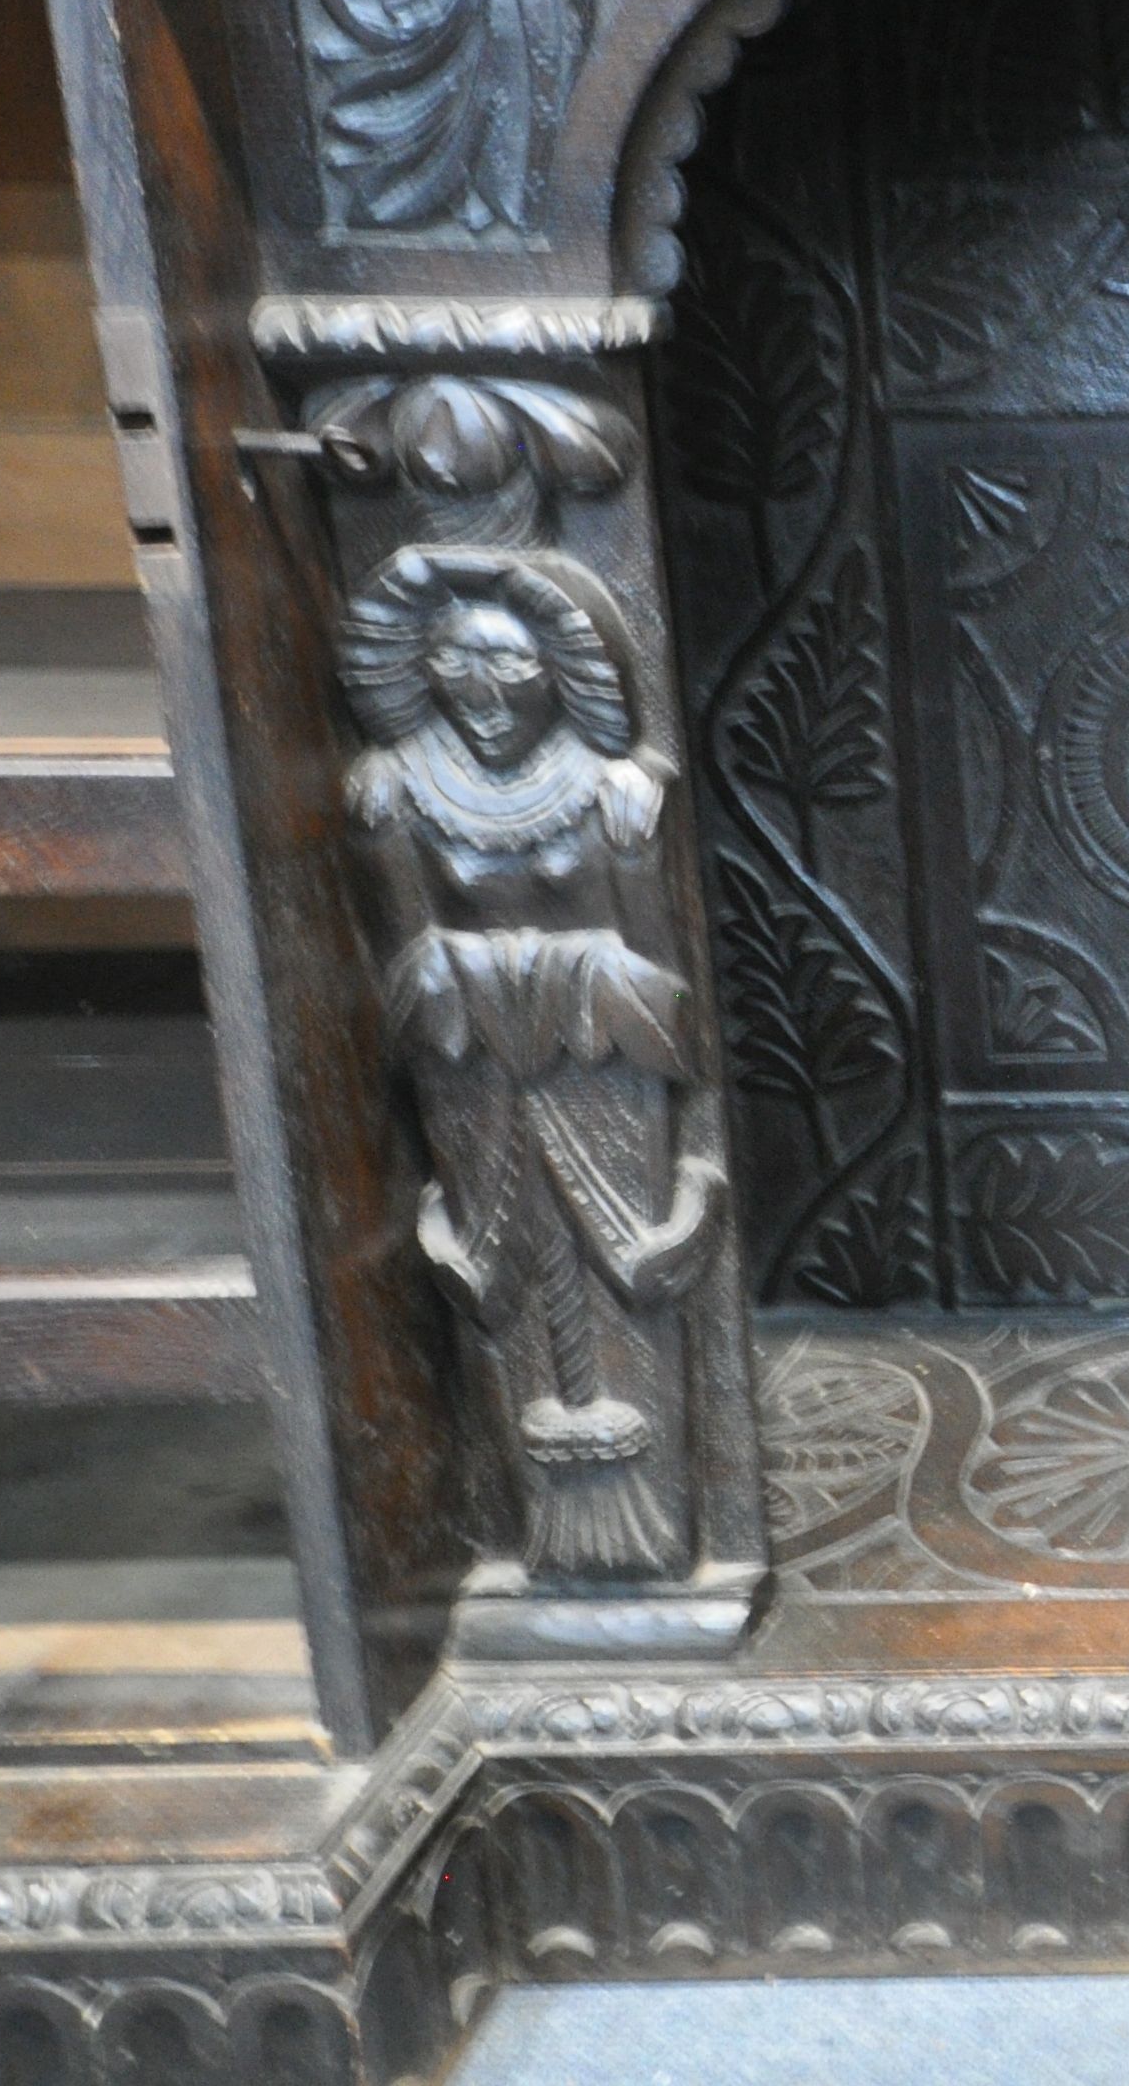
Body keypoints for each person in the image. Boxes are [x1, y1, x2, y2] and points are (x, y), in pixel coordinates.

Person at [338, 546, 716, 1583]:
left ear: (564, 670)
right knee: (504, 1271)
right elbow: (410, 963)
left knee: (618, 1260)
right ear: (417, 667)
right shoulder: (396, 787)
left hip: (601, 1064)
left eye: (512, 666)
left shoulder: (606, 787)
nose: (484, 691)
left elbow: (655, 964)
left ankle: (641, 1517)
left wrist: (634, 848)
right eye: (458, 661)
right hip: (475, 1069)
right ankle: (552, 1523)